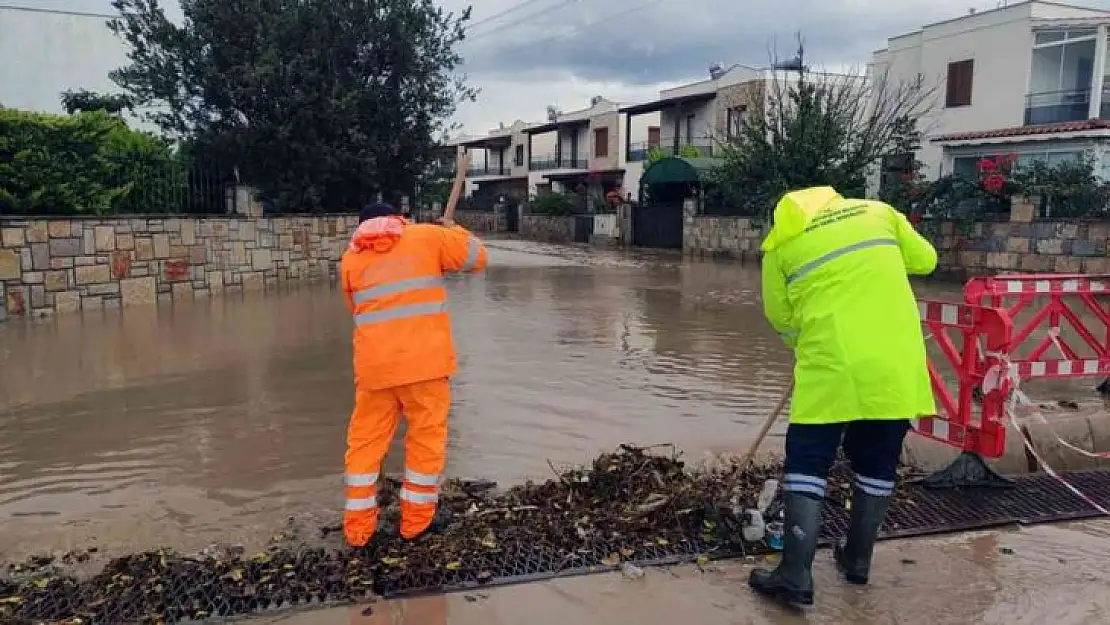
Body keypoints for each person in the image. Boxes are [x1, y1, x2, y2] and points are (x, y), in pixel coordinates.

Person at [749, 186, 937, 606]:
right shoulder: (879, 211)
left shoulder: (780, 246)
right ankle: (856, 560)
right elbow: (927, 260)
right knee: (877, 461)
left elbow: (780, 319)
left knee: (808, 463)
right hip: (894, 364)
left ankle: (795, 574)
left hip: (828, 367)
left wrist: (807, 343)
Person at [340, 201, 488, 547]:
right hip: (425, 366)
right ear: (398, 219)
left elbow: (355, 309)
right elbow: (477, 258)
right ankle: (415, 525)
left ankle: (358, 530)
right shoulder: (426, 237)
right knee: (425, 440)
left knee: (365, 443)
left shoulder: (351, 258)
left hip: (375, 369)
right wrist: (453, 230)